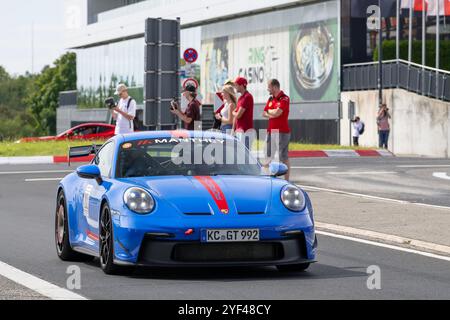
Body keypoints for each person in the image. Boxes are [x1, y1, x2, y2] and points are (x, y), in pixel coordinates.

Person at [263, 79, 291, 181]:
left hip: (282, 132)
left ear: (275, 87)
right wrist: (272, 112)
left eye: (269, 87)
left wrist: (270, 112)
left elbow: (278, 113)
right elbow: (264, 113)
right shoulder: (270, 99)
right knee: (268, 155)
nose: (268, 89)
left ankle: (287, 180)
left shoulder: (284, 98)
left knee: (283, 157)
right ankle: (268, 178)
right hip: (271, 131)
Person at [232, 77, 254, 149]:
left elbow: (238, 115)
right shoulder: (241, 98)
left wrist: (233, 112)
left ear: (241, 85)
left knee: (245, 156)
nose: (235, 87)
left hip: (245, 131)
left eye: (236, 85)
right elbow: (237, 115)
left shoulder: (247, 97)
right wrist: (233, 130)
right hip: (239, 130)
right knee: (240, 155)